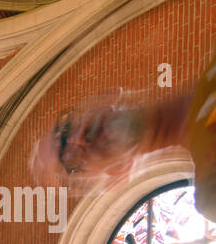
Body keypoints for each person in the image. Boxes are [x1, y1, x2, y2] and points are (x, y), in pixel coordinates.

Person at [32, 62, 216, 218]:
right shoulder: (211, 189)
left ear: (105, 97)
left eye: (66, 127)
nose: (78, 138)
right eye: (71, 161)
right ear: (118, 174)